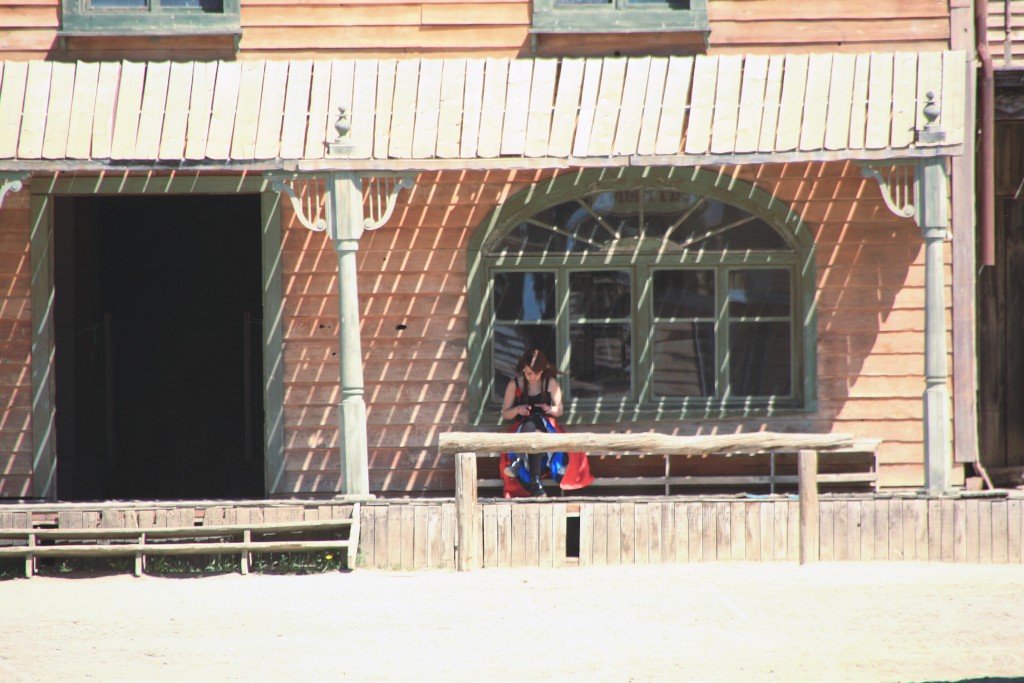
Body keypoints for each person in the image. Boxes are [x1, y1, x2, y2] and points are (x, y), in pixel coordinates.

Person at [499, 348, 593, 498]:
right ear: (523, 369)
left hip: (546, 426)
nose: (533, 377)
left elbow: (560, 410)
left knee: (536, 420)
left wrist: (550, 408)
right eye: (529, 373)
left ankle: (518, 460)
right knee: (531, 421)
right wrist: (518, 409)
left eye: (536, 373)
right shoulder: (514, 384)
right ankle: (535, 482)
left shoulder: (550, 382)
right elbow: (505, 413)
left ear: (542, 370)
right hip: (522, 427)